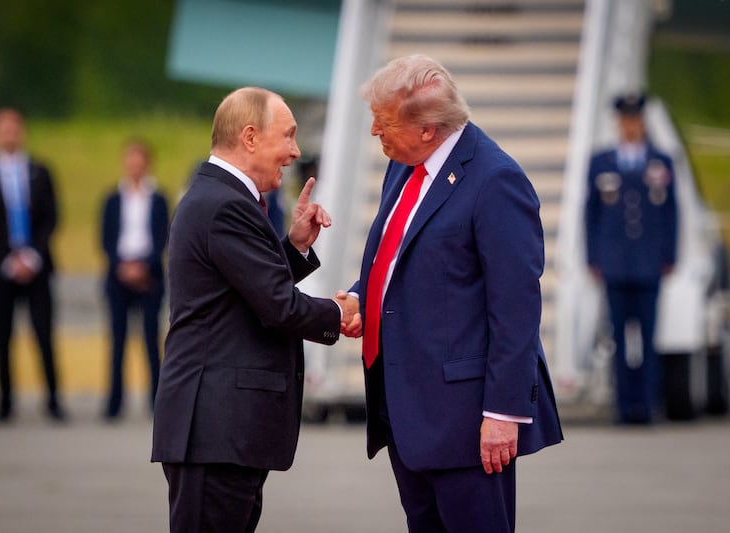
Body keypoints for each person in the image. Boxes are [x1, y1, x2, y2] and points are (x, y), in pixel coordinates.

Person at [337, 55, 562, 532]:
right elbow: (401, 258)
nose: (375, 130)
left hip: (466, 421)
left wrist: (503, 413)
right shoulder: (404, 167)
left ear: (427, 129)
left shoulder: (496, 180)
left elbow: (516, 310)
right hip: (406, 408)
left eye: (385, 121)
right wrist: (363, 297)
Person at [151, 87, 359, 532]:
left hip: (220, 431)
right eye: (287, 136)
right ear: (249, 137)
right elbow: (276, 306)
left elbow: (243, 291)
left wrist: (296, 247)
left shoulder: (221, 198)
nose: (295, 152)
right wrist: (338, 312)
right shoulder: (225, 204)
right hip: (215, 430)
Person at [585, 93, 678, 424]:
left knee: (649, 338)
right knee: (619, 339)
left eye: (635, 120)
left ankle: (648, 405)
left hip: (649, 263)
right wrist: (593, 257)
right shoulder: (602, 161)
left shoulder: (660, 161)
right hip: (614, 263)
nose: (630, 126)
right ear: (618, 123)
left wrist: (669, 254)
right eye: (625, 120)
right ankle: (624, 407)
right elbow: (591, 213)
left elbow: (670, 212)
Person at [0, 107, 66, 422]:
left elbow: (52, 217)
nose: (9, 134)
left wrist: (32, 255)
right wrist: (9, 258)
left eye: (14, 128)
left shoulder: (41, 171)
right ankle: (4, 402)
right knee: (2, 336)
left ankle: (53, 401)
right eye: (3, 129)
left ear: (22, 131)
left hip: (37, 265)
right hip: (0, 267)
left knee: (44, 334)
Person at [100, 139, 169, 420]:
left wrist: (144, 267)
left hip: (149, 275)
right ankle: (114, 402)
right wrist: (123, 266)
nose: (135, 166)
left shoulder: (159, 198)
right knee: (117, 341)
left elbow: (164, 237)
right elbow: (105, 238)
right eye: (131, 160)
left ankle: (157, 401)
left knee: (152, 340)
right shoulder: (113, 199)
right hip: (119, 275)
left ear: (148, 163)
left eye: (140, 160)